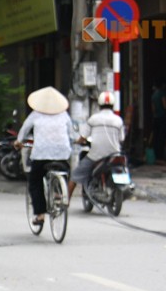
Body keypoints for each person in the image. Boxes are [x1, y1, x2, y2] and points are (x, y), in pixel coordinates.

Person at [14, 86, 72, 225]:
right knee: (64, 170)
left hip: (41, 154)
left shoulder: (36, 114)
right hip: (62, 153)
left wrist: (18, 142)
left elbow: (24, 129)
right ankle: (59, 193)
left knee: (35, 181)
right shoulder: (64, 114)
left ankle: (40, 215)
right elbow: (72, 134)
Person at [69, 91, 126, 199]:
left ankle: (65, 201)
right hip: (115, 155)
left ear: (99, 105)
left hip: (96, 156)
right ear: (113, 105)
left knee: (75, 175)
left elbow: (83, 137)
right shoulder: (118, 120)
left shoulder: (93, 119)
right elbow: (121, 138)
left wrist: (77, 141)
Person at [150, 81, 166, 162]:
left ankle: (156, 156)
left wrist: (155, 114)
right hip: (162, 118)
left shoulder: (153, 96)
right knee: (162, 136)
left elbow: (153, 109)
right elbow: (165, 105)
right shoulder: (162, 93)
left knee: (156, 136)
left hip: (156, 118)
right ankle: (161, 156)